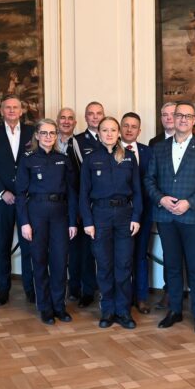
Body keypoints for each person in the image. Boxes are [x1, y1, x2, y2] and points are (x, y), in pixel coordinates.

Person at [145, 102, 195, 334]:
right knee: (172, 265)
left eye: (188, 116)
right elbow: (149, 180)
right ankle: (175, 310)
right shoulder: (159, 148)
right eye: (179, 115)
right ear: (173, 119)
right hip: (166, 216)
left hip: (193, 216)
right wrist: (161, 199)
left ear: (194, 120)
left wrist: (191, 202)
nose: (183, 120)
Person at [81, 116, 143, 328]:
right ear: (98, 133)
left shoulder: (128, 157)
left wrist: (136, 217)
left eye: (113, 130)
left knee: (124, 265)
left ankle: (123, 311)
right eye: (104, 130)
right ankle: (107, 310)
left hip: (125, 215)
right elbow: (83, 194)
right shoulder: (90, 159)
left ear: (118, 133)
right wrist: (88, 221)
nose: (109, 133)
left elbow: (137, 191)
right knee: (105, 266)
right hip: (100, 216)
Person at [15, 119, 78, 324]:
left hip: (60, 215)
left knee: (60, 262)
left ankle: (59, 306)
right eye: (44, 133)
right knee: (40, 262)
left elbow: (71, 192)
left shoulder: (63, 159)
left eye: (52, 133)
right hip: (36, 214)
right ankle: (44, 307)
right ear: (37, 135)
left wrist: (72, 222)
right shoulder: (28, 159)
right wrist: (24, 222)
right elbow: (20, 193)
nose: (48, 137)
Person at [0, 95, 35, 306]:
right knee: (3, 245)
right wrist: (2, 192)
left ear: (21, 111)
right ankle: (3, 290)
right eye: (8, 108)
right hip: (2, 200)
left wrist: (27, 191)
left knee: (28, 247)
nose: (12, 111)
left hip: (28, 200)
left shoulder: (33, 133)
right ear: (1, 111)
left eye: (15, 107)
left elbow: (38, 162)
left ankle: (31, 290)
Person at [56, 107, 95, 304]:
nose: (66, 121)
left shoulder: (79, 143)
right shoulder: (48, 142)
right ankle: (71, 289)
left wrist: (82, 208)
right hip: (55, 209)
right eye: (62, 118)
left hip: (78, 206)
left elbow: (86, 177)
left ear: (75, 123)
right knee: (65, 251)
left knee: (84, 251)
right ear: (57, 121)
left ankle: (86, 291)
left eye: (70, 118)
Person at [70, 101, 104, 307]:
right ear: (85, 117)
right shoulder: (77, 142)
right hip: (86, 206)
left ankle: (107, 291)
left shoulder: (112, 138)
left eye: (99, 113)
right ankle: (88, 291)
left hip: (107, 206)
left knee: (106, 251)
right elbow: (74, 179)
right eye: (91, 114)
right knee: (85, 252)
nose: (95, 117)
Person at [120, 112, 152, 314]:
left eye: (134, 126)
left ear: (139, 131)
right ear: (121, 128)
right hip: (119, 212)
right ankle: (123, 296)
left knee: (140, 254)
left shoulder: (149, 152)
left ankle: (140, 297)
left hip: (144, 212)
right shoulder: (110, 151)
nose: (129, 129)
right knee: (121, 257)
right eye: (126, 125)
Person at [148, 101, 177, 310]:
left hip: (188, 209)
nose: (168, 118)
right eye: (164, 114)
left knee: (191, 257)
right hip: (163, 207)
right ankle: (169, 292)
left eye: (172, 114)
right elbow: (152, 175)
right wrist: (161, 199)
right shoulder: (155, 142)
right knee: (169, 253)